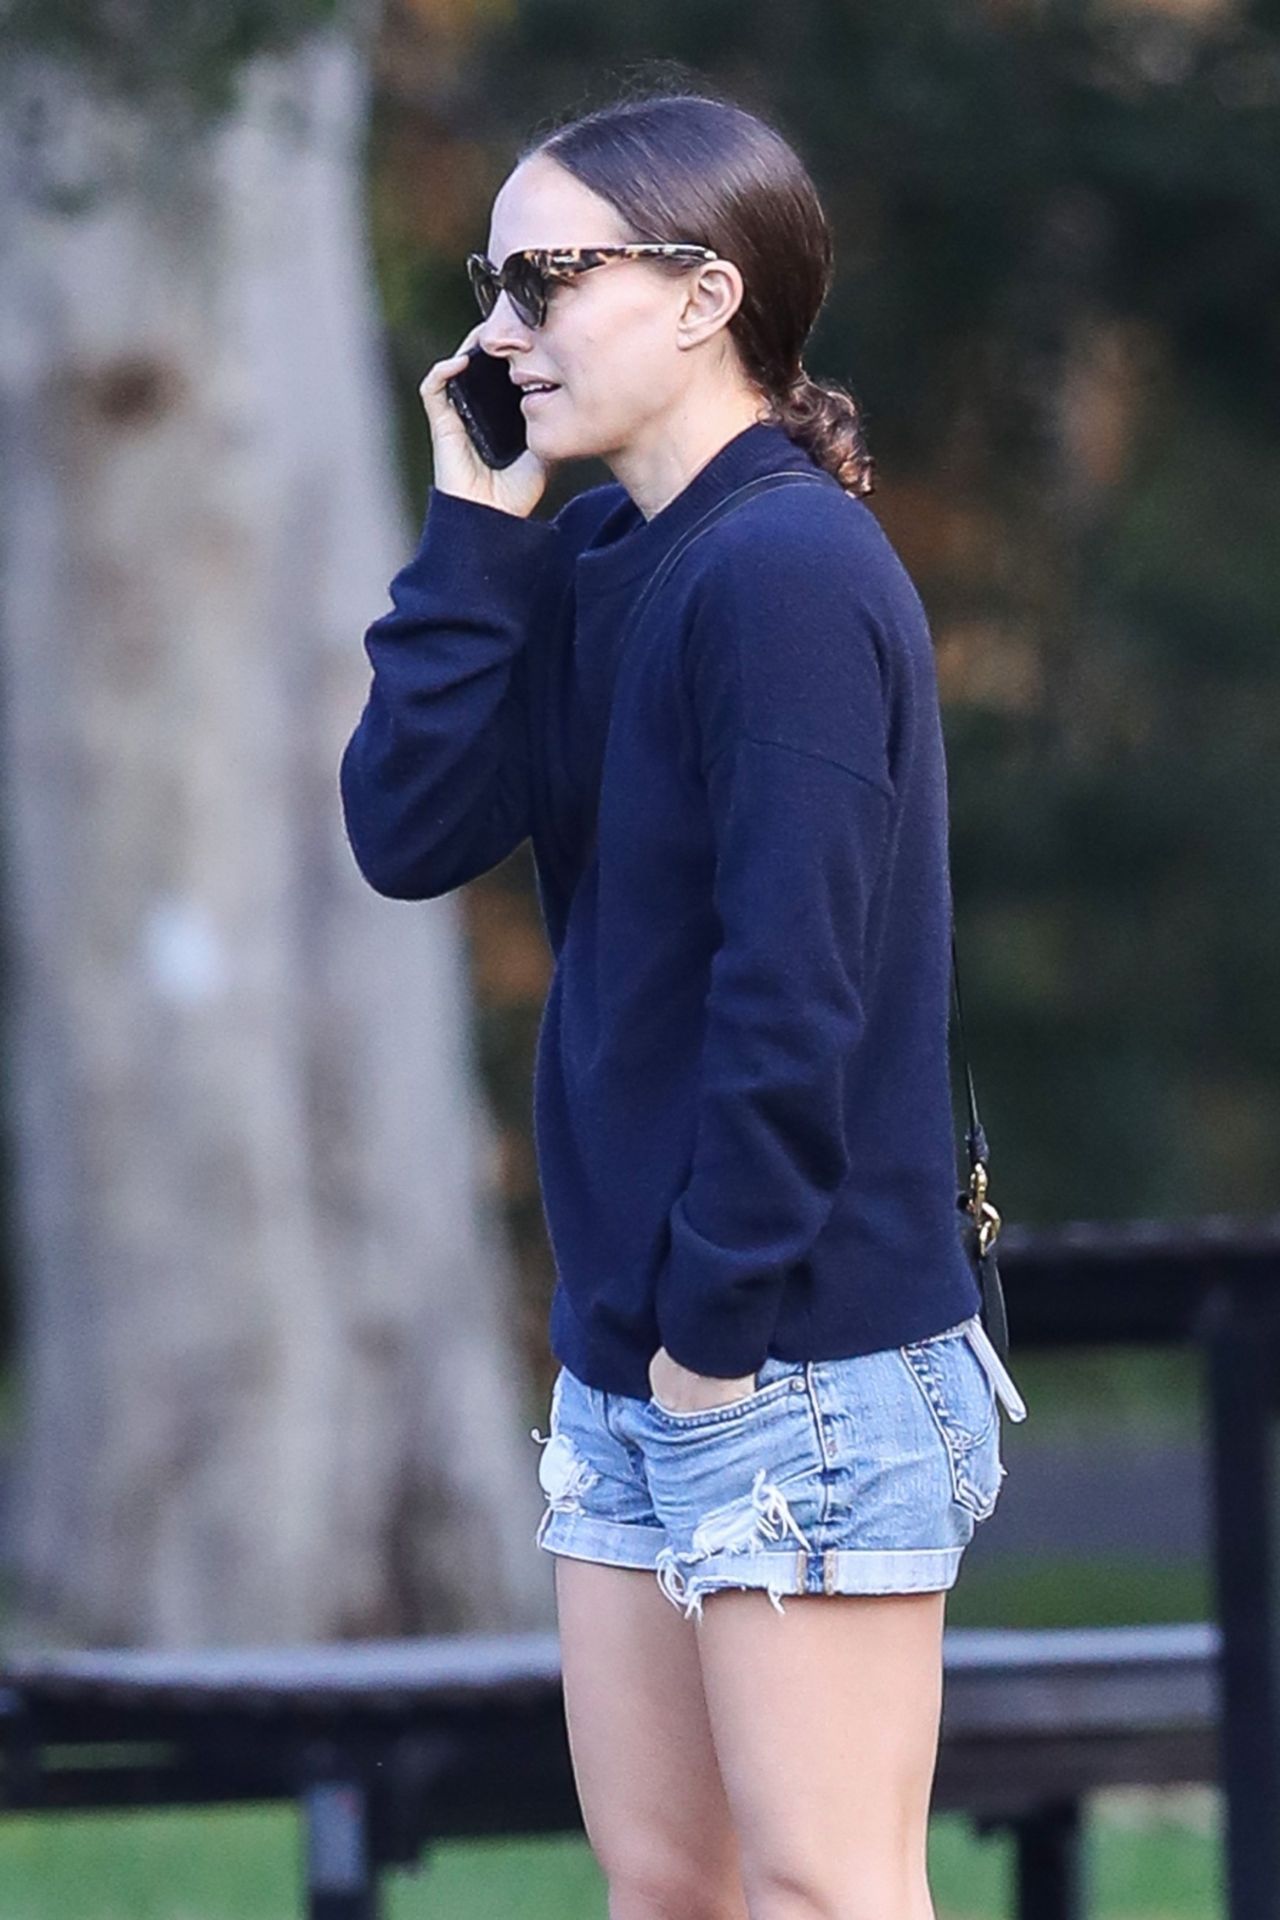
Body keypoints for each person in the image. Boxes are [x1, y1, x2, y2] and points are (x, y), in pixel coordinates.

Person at [340, 83, 1028, 1920]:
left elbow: (795, 993)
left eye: (546, 281)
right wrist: (476, 530)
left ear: (707, 295)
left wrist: (713, 1339)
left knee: (827, 1890)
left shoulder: (788, 572)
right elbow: (406, 832)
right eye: (489, 284)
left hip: (797, 1350)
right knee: (669, 1888)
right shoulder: (596, 567)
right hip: (639, 1355)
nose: (500, 333)